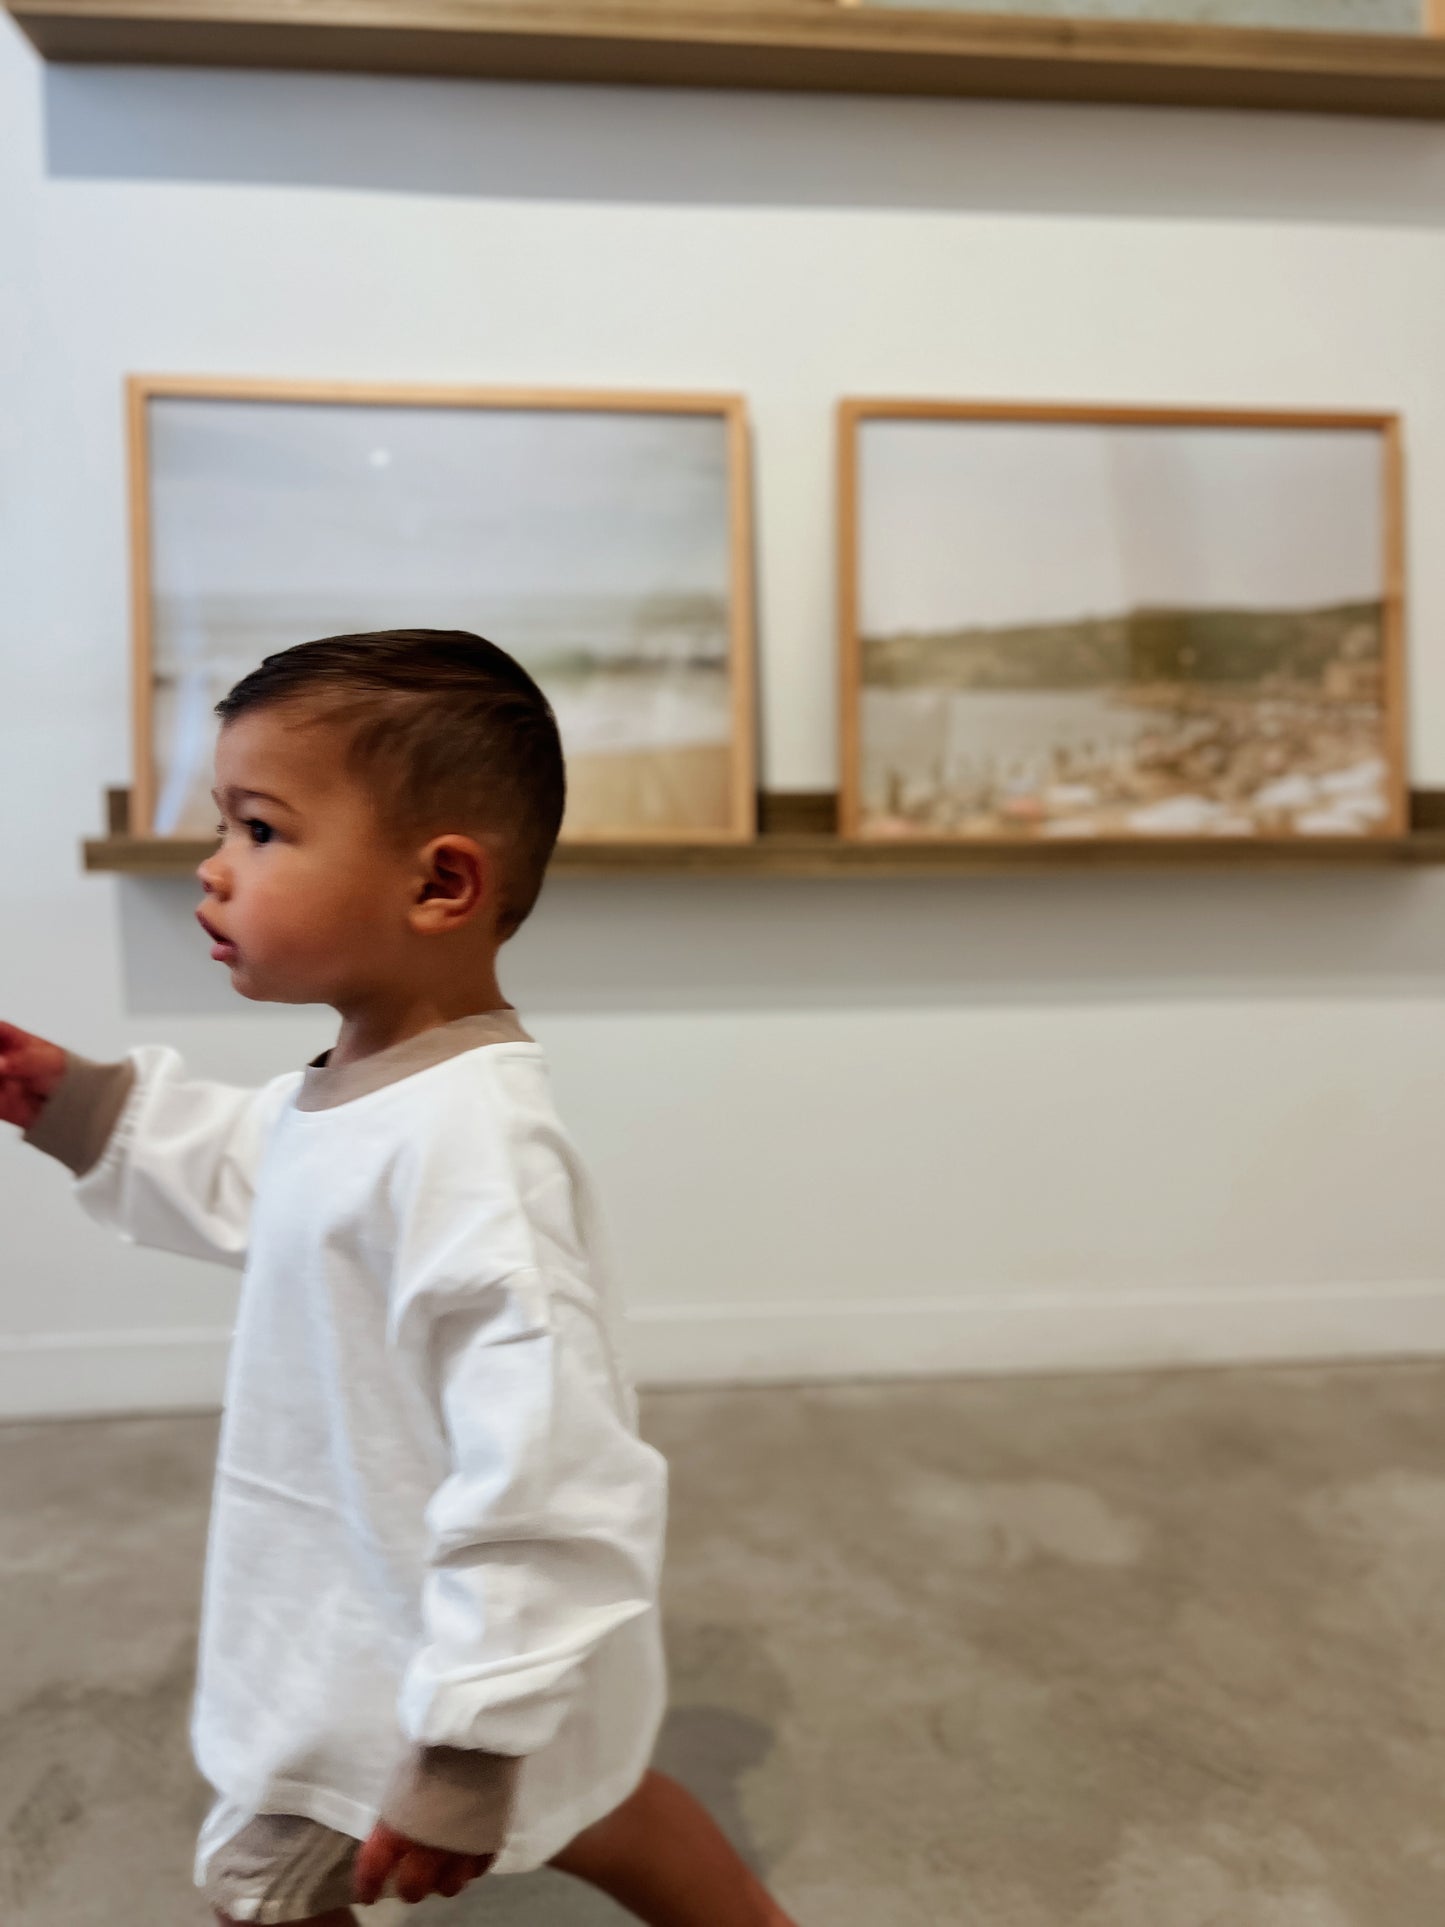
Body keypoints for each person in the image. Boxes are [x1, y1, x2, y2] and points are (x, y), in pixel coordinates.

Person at [0, 630, 798, 1927]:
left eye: (259, 831)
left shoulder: (478, 1152)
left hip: (441, 1630)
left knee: (447, 1840)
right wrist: (87, 1109)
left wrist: (468, 1743)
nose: (211, 866)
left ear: (439, 884)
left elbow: (552, 1471)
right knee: (545, 1807)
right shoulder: (358, 1090)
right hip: (358, 1577)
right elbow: (271, 1176)